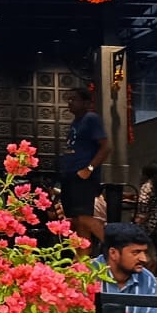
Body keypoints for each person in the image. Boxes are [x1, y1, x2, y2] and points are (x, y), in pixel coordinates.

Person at [58, 87, 110, 248]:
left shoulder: (91, 119)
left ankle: (116, 248)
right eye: (69, 99)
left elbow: (106, 147)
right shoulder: (76, 122)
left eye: (74, 99)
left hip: (83, 176)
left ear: (86, 103)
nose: (70, 102)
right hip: (71, 175)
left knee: (83, 217)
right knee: (75, 220)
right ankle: (83, 262)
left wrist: (89, 169)